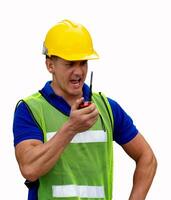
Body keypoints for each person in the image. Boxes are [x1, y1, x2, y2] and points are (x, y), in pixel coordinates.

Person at [13, 19, 157, 200]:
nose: (79, 72)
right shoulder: (30, 110)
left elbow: (147, 158)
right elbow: (30, 169)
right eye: (70, 63)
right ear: (50, 65)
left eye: (83, 63)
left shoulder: (107, 108)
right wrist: (71, 127)